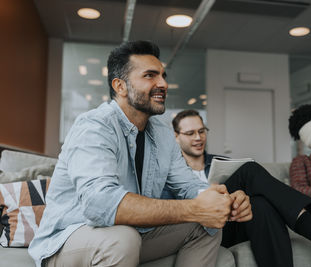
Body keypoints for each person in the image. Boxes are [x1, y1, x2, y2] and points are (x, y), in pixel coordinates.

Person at [28, 41, 252, 267]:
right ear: (120, 86)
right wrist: (194, 208)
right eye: (150, 76)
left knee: (207, 226)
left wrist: (221, 199)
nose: (163, 83)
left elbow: (187, 186)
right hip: (69, 239)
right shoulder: (94, 126)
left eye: (163, 75)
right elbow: (100, 204)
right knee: (122, 239)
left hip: (131, 234)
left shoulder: (163, 132)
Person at [171, 110, 311, 267]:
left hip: (232, 218)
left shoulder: (219, 161)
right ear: (176, 136)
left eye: (202, 131)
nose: (198, 137)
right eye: (190, 133)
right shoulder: (171, 169)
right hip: (201, 226)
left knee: (259, 204)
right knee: (249, 169)